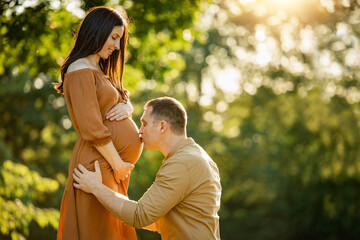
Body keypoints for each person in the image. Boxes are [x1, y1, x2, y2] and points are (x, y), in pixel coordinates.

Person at [73, 97, 222, 240]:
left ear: (162, 126)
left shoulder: (182, 163)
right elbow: (164, 221)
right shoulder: (195, 156)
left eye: (144, 124)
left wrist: (96, 187)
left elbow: (140, 216)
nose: (140, 130)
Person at [53, 6, 143, 240]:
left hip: (109, 165)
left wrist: (128, 106)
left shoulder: (98, 69)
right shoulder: (79, 69)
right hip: (98, 164)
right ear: (97, 31)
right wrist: (118, 165)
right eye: (113, 37)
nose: (116, 46)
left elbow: (118, 99)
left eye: (119, 40)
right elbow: (92, 126)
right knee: (101, 231)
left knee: (113, 230)